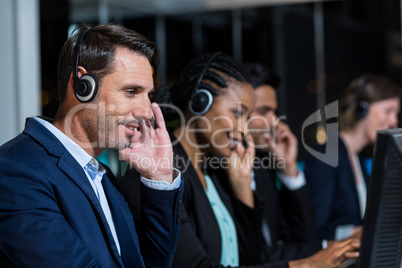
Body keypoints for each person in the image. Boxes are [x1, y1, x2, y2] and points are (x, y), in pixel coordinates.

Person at [120, 52, 360, 268]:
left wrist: (243, 188)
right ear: (199, 103)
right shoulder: (159, 175)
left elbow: (251, 260)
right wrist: (305, 266)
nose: (245, 129)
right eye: (237, 113)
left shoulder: (213, 173)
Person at [0, 23, 183, 267]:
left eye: (148, 95)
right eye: (131, 91)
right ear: (82, 85)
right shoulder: (16, 170)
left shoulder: (101, 177)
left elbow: (152, 263)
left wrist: (159, 178)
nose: (146, 111)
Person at [304, 74, 401, 241]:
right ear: (361, 109)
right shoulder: (327, 158)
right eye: (388, 111)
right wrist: (357, 233)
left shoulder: (357, 158)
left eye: (396, 114)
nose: (394, 121)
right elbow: (313, 232)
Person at [244, 63, 322, 261]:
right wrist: (327, 248)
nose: (274, 121)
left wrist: (288, 168)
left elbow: (301, 237)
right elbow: (254, 257)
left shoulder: (262, 167)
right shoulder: (218, 171)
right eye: (264, 111)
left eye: (274, 112)